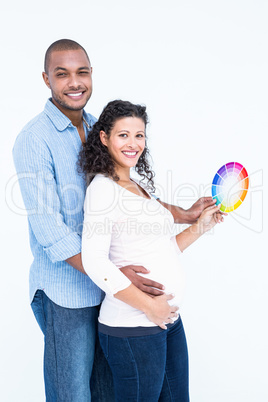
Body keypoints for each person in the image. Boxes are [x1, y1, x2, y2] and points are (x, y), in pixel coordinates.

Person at [12, 39, 219, 401]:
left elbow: (128, 197)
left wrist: (184, 216)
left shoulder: (98, 126)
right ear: (46, 79)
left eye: (82, 72)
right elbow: (51, 232)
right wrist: (113, 272)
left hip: (111, 293)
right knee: (72, 394)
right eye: (62, 74)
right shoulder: (34, 140)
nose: (74, 82)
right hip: (67, 293)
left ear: (92, 75)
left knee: (107, 393)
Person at [79, 100, 223, 402]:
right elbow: (94, 260)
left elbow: (161, 250)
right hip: (133, 326)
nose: (133, 143)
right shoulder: (102, 190)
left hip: (167, 320)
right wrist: (148, 305)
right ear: (104, 138)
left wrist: (201, 226)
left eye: (139, 135)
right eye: (123, 135)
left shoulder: (138, 184)